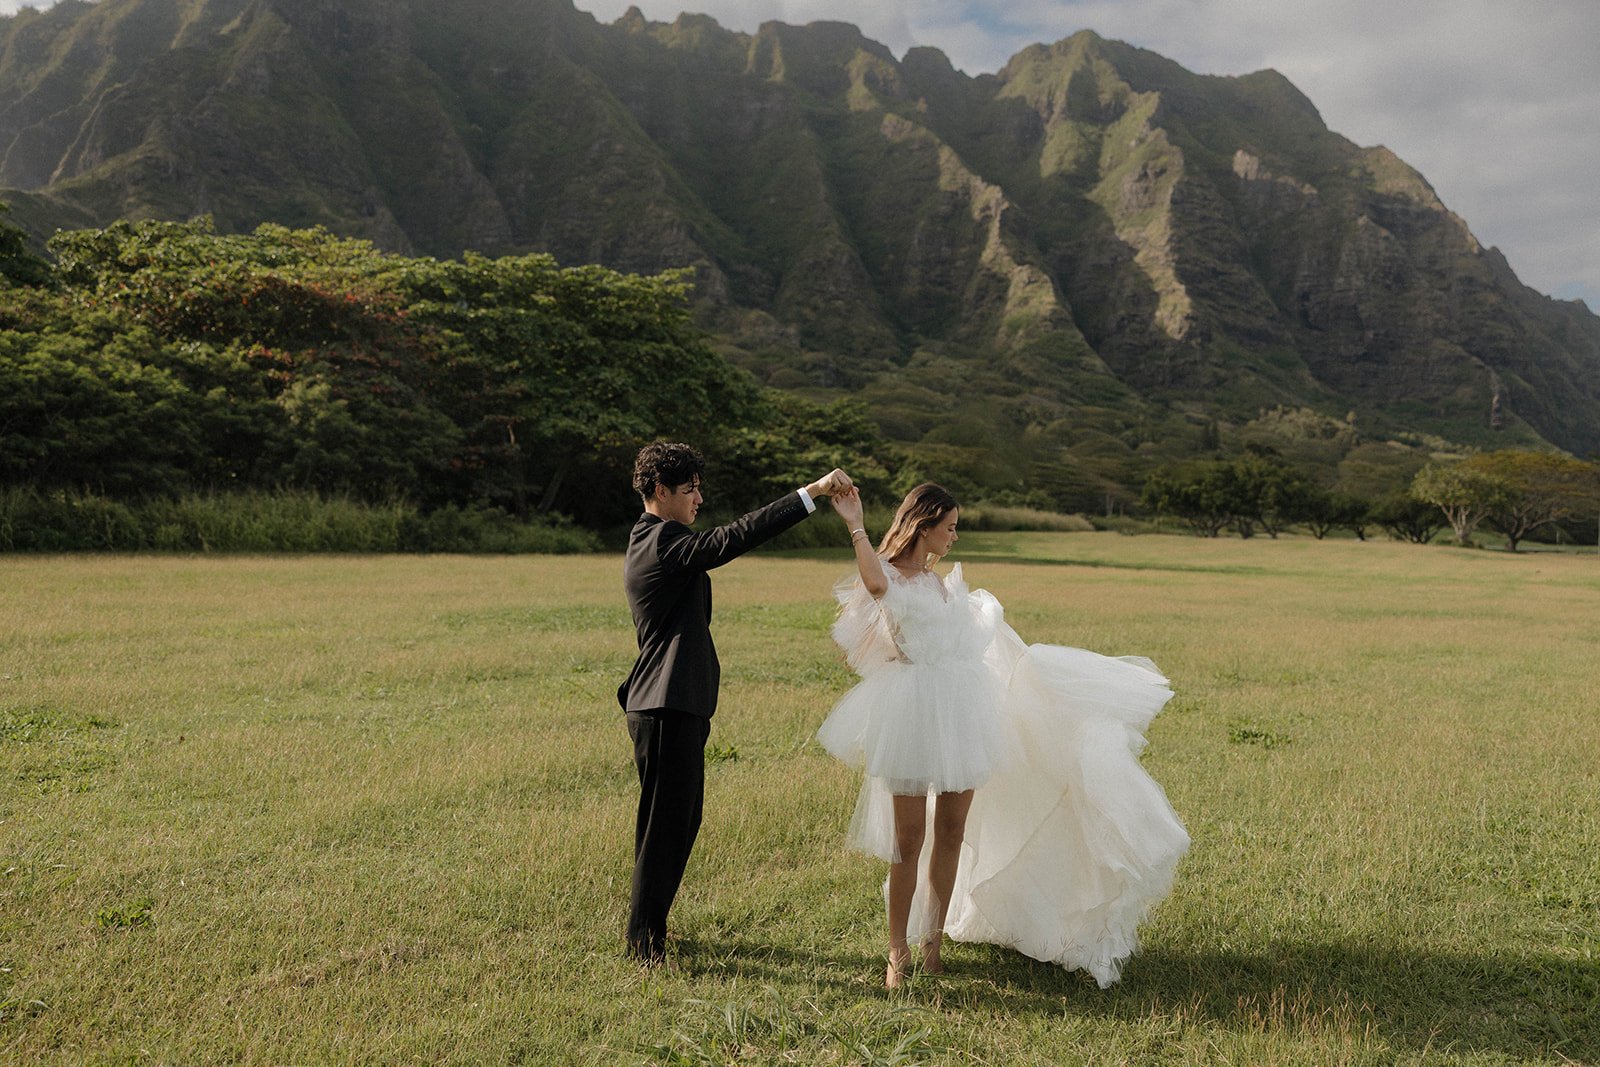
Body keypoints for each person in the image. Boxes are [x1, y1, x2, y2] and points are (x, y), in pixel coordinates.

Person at [819, 482, 1189, 989]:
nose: (955, 535)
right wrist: (854, 522)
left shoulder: (945, 584)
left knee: (950, 833)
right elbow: (875, 586)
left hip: (963, 711)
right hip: (912, 713)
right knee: (908, 840)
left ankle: (933, 942)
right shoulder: (890, 577)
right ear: (923, 525)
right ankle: (896, 950)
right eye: (949, 526)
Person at [618, 441, 851, 964]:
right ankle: (643, 941)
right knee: (668, 825)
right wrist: (810, 493)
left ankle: (650, 929)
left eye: (699, 486)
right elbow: (733, 538)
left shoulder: (653, 540)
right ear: (659, 492)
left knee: (674, 821)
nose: (699, 497)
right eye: (689, 489)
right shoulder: (661, 542)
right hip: (665, 704)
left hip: (673, 703)